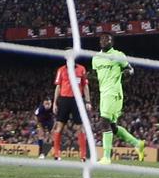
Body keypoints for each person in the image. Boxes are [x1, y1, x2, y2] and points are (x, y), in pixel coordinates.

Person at [92, 33, 146, 164]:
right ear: (100, 42)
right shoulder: (95, 58)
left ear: (112, 42)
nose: (106, 41)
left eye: (108, 40)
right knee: (113, 127)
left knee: (104, 122)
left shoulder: (118, 55)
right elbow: (96, 76)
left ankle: (106, 157)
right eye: (103, 39)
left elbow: (130, 69)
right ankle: (137, 143)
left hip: (114, 93)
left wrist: (127, 74)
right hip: (103, 93)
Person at [52, 59, 91, 161]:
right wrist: (55, 102)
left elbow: (85, 86)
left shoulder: (81, 69)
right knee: (59, 126)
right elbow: (58, 87)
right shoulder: (61, 70)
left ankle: (83, 155)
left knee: (80, 127)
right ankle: (56, 154)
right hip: (64, 100)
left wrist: (88, 101)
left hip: (77, 100)